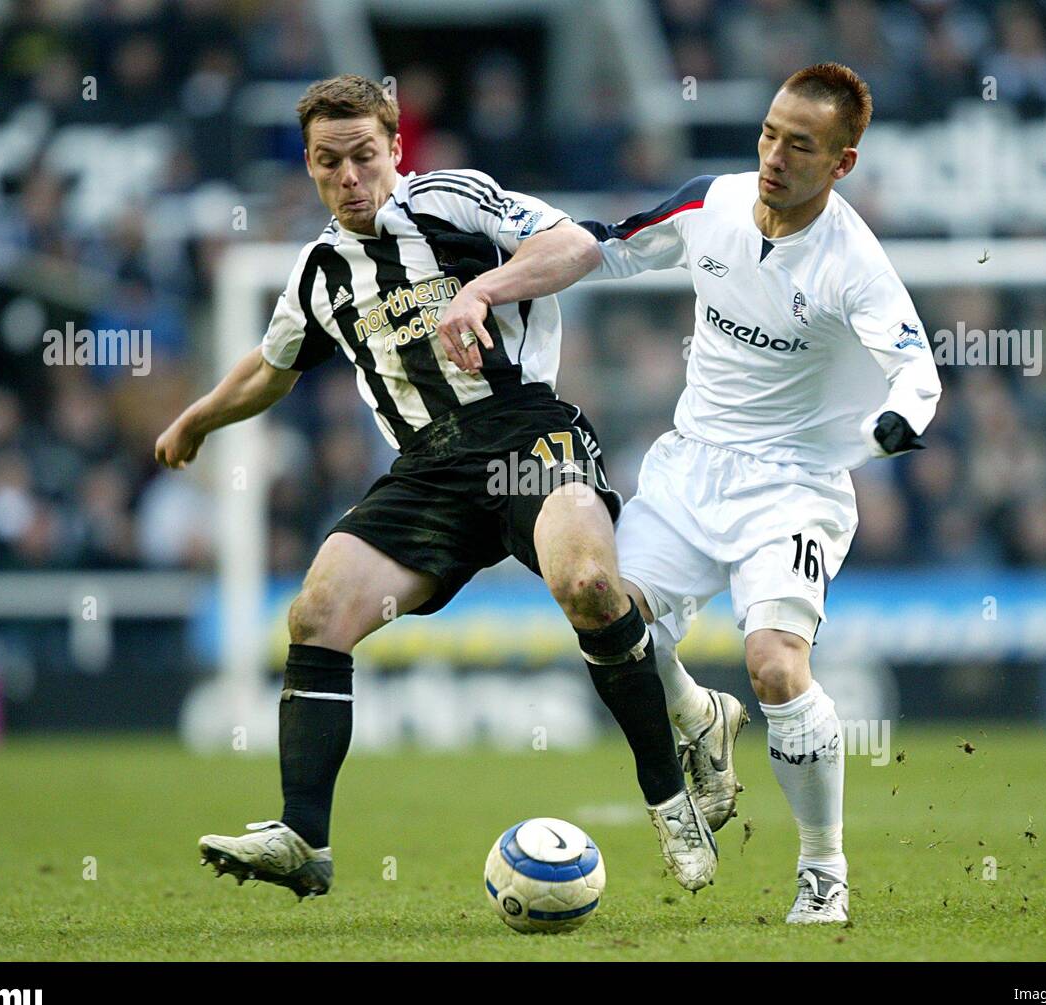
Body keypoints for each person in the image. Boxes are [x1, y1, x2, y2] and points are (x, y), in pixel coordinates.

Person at [154, 75, 717, 900]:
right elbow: (272, 366)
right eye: (327, 163)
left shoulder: (454, 201)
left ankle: (670, 800)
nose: (349, 178)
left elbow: (571, 244)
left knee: (593, 586)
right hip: (426, 470)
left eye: (363, 156)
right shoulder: (319, 273)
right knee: (316, 611)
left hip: (526, 430)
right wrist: (200, 418)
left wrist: (483, 290)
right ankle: (303, 838)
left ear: (395, 151)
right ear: (309, 169)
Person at [438, 63, 942, 923]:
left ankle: (823, 869)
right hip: (691, 466)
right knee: (607, 615)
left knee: (777, 668)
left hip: (793, 486)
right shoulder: (711, 203)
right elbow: (603, 246)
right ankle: (700, 715)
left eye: (802, 145)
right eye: (771, 132)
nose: (776, 155)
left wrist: (898, 424)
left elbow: (917, 369)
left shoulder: (854, 262)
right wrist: (486, 287)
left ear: (842, 164)